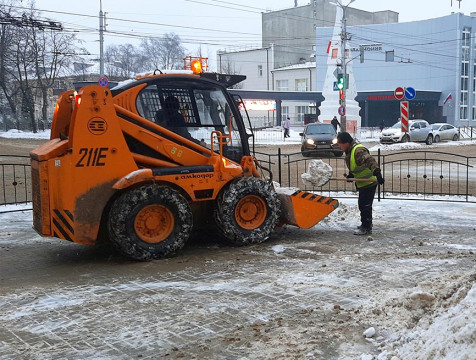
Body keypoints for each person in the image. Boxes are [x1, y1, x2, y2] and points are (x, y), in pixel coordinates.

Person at [336, 132, 385, 235]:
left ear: (346, 143)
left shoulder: (358, 151)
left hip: (369, 182)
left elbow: (370, 160)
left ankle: (366, 227)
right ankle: (366, 224)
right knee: (363, 205)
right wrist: (351, 176)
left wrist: (377, 173)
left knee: (365, 205)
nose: (339, 146)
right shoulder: (350, 151)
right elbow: (357, 166)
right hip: (363, 183)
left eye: (340, 143)